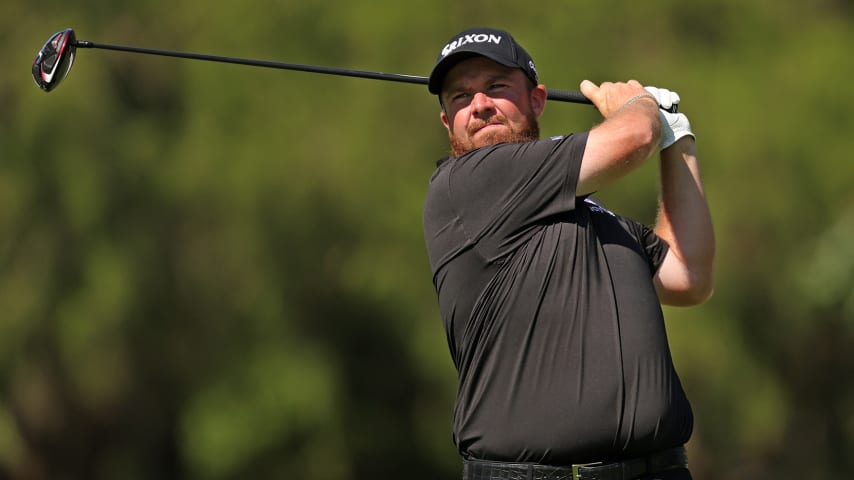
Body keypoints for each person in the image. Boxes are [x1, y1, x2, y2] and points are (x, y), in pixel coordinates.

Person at [422, 27, 715, 480]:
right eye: (460, 97)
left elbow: (688, 275)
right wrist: (638, 106)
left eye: (497, 88)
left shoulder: (589, 213)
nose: (479, 105)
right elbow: (634, 136)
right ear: (447, 121)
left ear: (537, 100)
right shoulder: (467, 185)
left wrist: (678, 141)